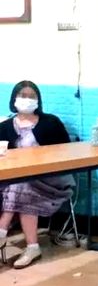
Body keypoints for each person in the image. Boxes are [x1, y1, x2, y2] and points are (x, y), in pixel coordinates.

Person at [0, 80, 74, 268]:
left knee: (20, 184)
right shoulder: (5, 126)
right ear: (14, 99)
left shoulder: (51, 122)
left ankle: (1, 232)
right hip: (16, 181)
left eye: (31, 96)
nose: (27, 99)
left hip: (50, 180)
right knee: (20, 184)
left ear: (38, 100)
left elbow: (67, 152)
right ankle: (32, 247)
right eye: (22, 95)